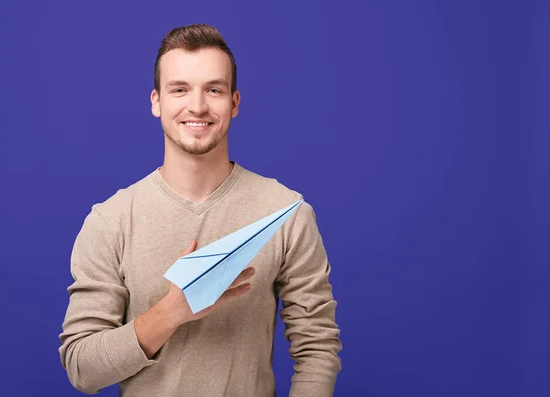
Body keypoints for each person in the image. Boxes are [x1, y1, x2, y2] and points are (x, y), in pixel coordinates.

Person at [58, 23, 342, 397]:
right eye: (180, 89)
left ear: (234, 103)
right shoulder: (111, 221)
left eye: (213, 89)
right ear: (156, 101)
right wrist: (170, 313)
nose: (197, 106)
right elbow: (82, 367)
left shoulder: (286, 212)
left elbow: (317, 347)